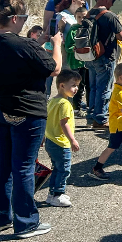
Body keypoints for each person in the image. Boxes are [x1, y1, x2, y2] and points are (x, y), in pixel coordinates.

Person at [0, 0, 62, 238]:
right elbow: (54, 68)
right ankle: (26, 222)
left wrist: (37, 44)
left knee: (1, 164)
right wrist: (56, 44)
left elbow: (17, 55)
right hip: (26, 110)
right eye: (24, 18)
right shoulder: (24, 44)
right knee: (24, 166)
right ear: (15, 19)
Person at [84, 0, 122, 129]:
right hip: (106, 56)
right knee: (104, 88)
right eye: (112, 0)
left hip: (90, 56)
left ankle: (91, 117)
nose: (113, 3)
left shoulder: (88, 14)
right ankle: (100, 119)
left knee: (93, 87)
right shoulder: (109, 15)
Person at [44, 69, 82, 207]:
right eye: (73, 85)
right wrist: (72, 140)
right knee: (64, 169)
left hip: (51, 141)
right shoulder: (65, 104)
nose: (76, 89)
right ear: (61, 85)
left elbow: (48, 120)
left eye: (77, 85)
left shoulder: (53, 101)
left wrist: (44, 137)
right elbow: (63, 123)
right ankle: (58, 194)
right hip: (61, 142)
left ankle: (52, 193)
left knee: (56, 168)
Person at [65, 6, 90, 116]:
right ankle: (76, 108)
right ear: (75, 17)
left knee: (89, 85)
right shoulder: (73, 29)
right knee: (77, 86)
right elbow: (68, 47)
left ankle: (90, 107)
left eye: (84, 17)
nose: (81, 19)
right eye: (79, 17)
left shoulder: (90, 29)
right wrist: (75, 48)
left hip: (88, 62)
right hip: (76, 62)